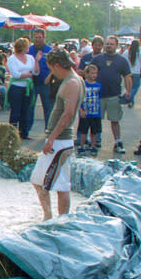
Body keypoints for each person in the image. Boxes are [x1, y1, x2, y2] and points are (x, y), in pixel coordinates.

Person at [30, 49, 84, 221]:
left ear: (59, 65)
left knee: (60, 185)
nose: (53, 74)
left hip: (60, 140)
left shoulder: (72, 83)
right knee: (38, 180)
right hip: (57, 139)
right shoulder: (71, 81)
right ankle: (49, 216)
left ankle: (61, 219)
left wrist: (52, 138)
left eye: (53, 69)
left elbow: (68, 114)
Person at [91, 36, 132, 154]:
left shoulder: (122, 61)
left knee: (115, 120)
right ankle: (94, 143)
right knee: (95, 120)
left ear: (116, 46)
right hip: (98, 95)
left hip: (114, 95)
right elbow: (89, 72)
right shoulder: (97, 58)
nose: (109, 46)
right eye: (107, 44)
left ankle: (118, 142)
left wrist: (128, 91)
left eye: (111, 44)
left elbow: (127, 77)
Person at [6, 38, 38, 140]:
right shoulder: (12, 58)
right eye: (27, 46)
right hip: (16, 87)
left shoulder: (30, 58)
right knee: (15, 111)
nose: (28, 48)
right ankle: (12, 133)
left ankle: (24, 132)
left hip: (27, 87)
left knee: (26, 111)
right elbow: (15, 74)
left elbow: (35, 72)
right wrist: (28, 75)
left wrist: (37, 60)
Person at [28, 29, 54, 133]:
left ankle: (48, 130)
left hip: (45, 83)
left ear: (44, 37)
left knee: (48, 108)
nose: (38, 39)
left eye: (40, 37)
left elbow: (54, 67)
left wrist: (50, 77)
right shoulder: (29, 50)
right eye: (36, 37)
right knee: (30, 107)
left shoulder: (49, 50)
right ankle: (27, 130)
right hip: (32, 82)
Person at [77, 65, 102, 157]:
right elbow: (78, 98)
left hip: (95, 113)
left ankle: (93, 146)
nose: (94, 75)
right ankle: (82, 146)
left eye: (95, 73)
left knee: (94, 131)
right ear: (86, 73)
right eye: (92, 73)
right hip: (85, 113)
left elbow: (99, 97)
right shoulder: (82, 84)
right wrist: (81, 110)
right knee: (83, 131)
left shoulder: (98, 85)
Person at [123, 39, 141, 108]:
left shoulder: (126, 52)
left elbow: (123, 60)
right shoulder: (140, 53)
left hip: (128, 72)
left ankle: (130, 100)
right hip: (137, 73)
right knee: (135, 87)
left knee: (128, 87)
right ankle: (128, 98)